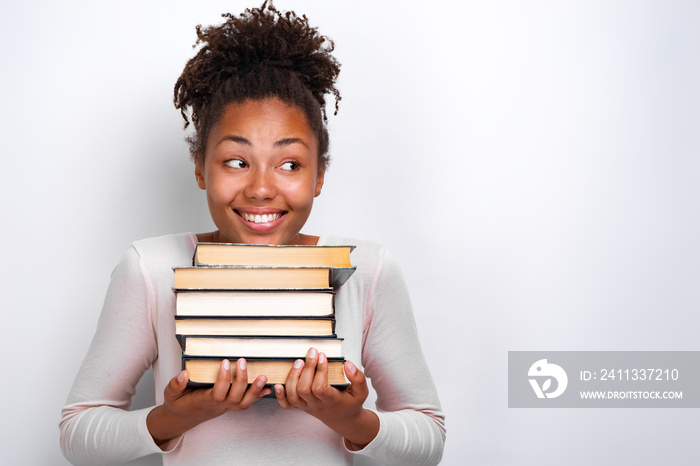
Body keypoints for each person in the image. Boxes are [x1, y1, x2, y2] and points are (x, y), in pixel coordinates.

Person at [59, 2, 445, 464]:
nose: (261, 189)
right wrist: (178, 416)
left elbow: (430, 439)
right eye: (237, 162)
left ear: (319, 175)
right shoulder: (151, 269)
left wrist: (351, 421)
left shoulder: (368, 269)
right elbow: (78, 434)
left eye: (290, 164)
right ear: (201, 167)